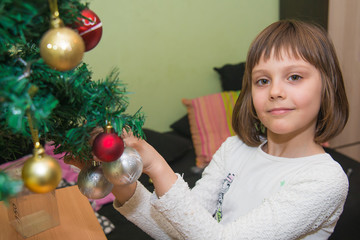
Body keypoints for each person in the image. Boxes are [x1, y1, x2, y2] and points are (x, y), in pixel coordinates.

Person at [73, 19, 350, 239]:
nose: (275, 91)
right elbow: (182, 229)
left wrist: (157, 165)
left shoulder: (324, 180)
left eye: (294, 77)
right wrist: (122, 180)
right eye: (262, 81)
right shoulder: (234, 148)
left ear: (328, 86)